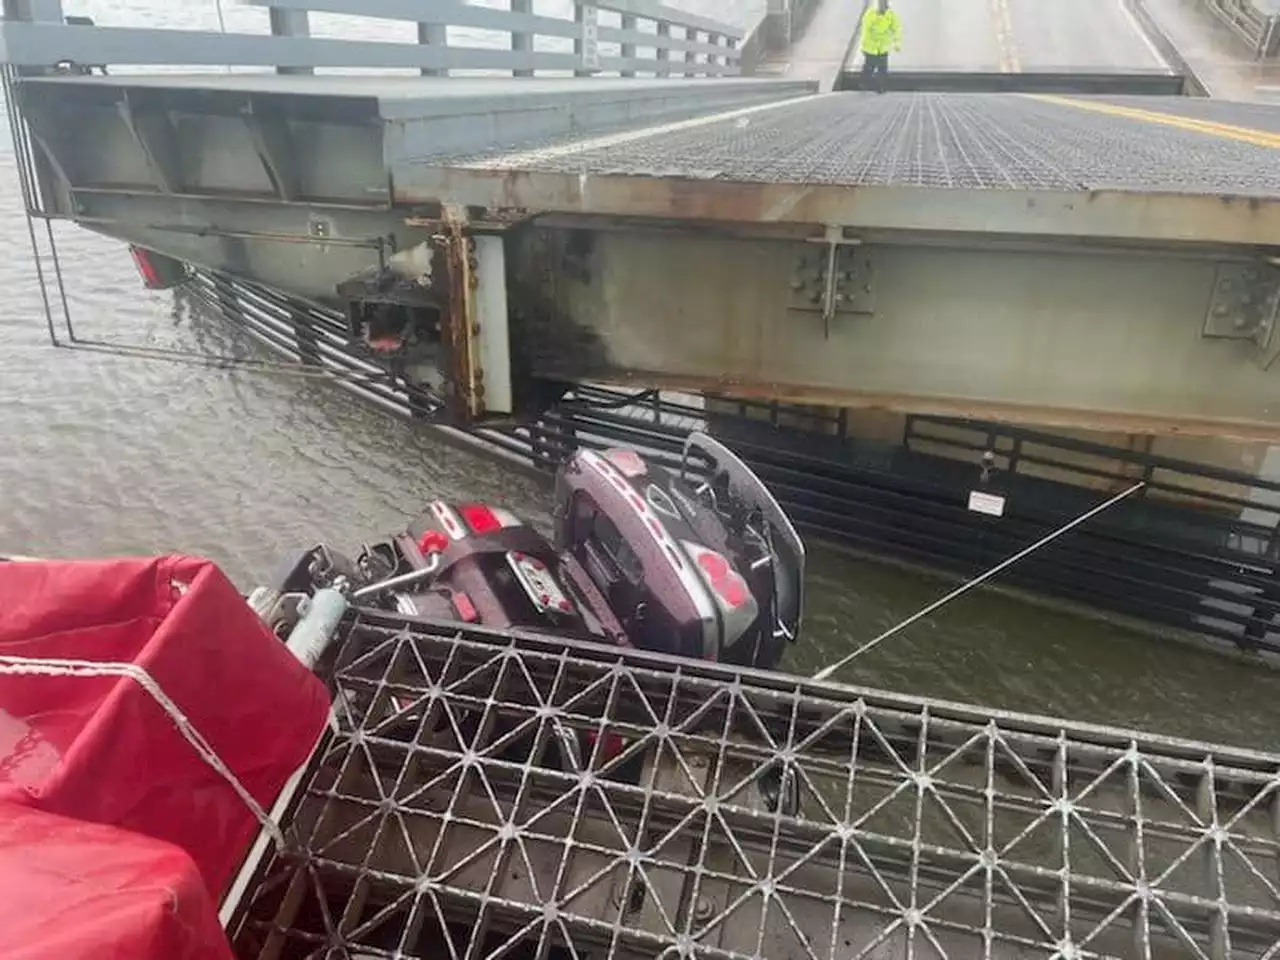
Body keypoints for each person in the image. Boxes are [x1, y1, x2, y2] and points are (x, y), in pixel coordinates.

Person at [860, 0, 902, 94]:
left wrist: (897, 43)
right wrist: (863, 46)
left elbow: (896, 29)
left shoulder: (890, 15)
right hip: (871, 47)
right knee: (869, 67)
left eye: (884, 4)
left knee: (882, 68)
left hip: (883, 47)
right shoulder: (870, 14)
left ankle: (881, 87)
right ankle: (864, 84)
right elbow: (865, 30)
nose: (882, 7)